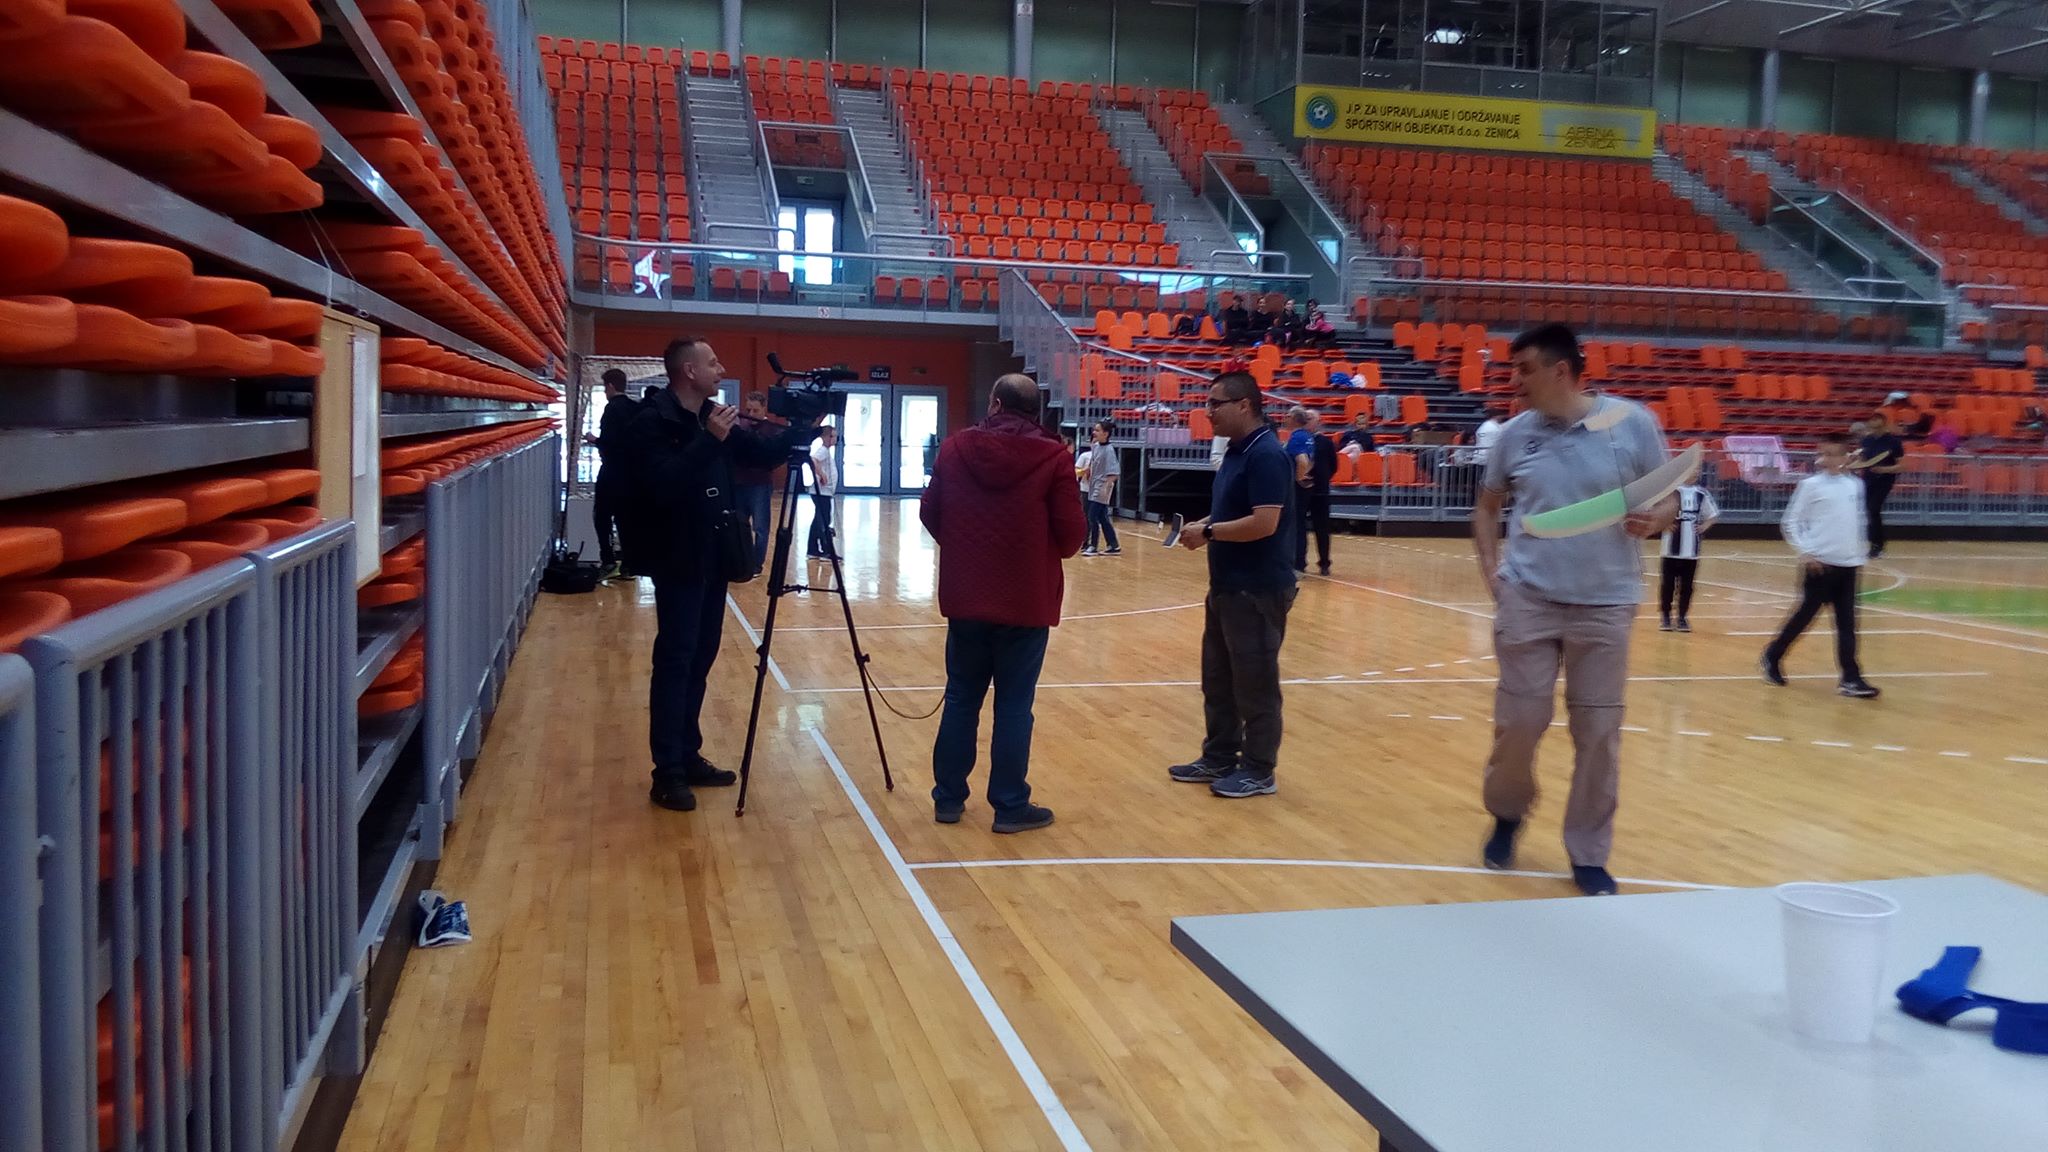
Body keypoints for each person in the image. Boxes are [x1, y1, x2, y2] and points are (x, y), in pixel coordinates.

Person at [1472, 324, 1675, 897]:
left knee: (1599, 733)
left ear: (1561, 371)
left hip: (1606, 606)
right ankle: (1507, 813)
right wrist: (1492, 575)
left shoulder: (1633, 424)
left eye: (1524, 369)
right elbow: (1486, 508)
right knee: (1519, 723)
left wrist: (1655, 519)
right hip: (1528, 599)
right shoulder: (1514, 435)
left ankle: (1588, 853)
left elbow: (1668, 498)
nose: (1514, 381)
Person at [618, 337, 816, 812]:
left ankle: (688, 755)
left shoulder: (714, 416)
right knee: (676, 660)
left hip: (713, 555)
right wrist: (709, 439)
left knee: (701, 658)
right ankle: (666, 771)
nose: (720, 368)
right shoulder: (652, 422)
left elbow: (761, 454)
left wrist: (804, 426)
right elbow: (662, 485)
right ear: (688, 371)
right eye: (712, 362)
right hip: (675, 557)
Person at [920, 374, 1086, 833]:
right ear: (1036, 411)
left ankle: (948, 799)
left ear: (994, 403)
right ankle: (1010, 806)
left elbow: (929, 511)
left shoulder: (954, 448)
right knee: (1014, 706)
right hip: (1025, 600)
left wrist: (964, 549)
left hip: (966, 596)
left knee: (960, 698)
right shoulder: (1054, 456)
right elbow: (1072, 535)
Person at [1169, 370, 1297, 799]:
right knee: (1218, 680)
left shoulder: (1267, 455)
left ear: (1244, 405)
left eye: (1215, 403)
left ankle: (1259, 769)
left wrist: (1209, 532)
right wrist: (1203, 525)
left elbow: (1264, 522)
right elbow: (1230, 512)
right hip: (1227, 585)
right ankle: (1220, 756)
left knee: (1255, 685)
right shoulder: (1237, 452)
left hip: (1256, 590)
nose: (1207, 412)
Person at [1761, 434, 1881, 699]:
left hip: (1849, 565)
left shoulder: (1855, 485)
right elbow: (1791, 522)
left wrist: (1858, 553)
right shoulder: (1811, 486)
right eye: (1822, 453)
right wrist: (1806, 552)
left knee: (1847, 624)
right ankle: (1773, 655)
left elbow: (1856, 521)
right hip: (1820, 566)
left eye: (1831, 454)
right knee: (1804, 617)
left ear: (1844, 457)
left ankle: (1850, 678)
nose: (1825, 459)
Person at [584, 369, 640, 577]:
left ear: (610, 386)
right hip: (632, 474)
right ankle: (629, 564)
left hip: (612, 471)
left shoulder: (612, 409)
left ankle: (608, 559)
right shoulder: (635, 408)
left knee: (602, 516)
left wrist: (594, 440)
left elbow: (610, 443)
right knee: (626, 518)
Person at [1658, 481, 1719, 633]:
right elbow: (1654, 511)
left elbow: (1712, 515)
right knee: (1668, 585)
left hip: (1691, 552)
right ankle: (1666, 617)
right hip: (1670, 550)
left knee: (1687, 587)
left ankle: (1682, 617)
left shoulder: (1701, 494)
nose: (1695, 472)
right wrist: (1662, 525)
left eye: (1697, 470)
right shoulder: (1670, 491)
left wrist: (1704, 526)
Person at [731, 391, 780, 572]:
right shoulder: (741, 426)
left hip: (760, 484)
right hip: (739, 482)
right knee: (739, 525)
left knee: (760, 527)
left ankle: (756, 564)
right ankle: (741, 561)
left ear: (763, 409)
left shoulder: (771, 430)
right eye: (748, 410)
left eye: (755, 410)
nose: (750, 414)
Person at [1281, 407, 1332, 574]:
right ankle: (1300, 562)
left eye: (1288, 416)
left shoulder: (1297, 437)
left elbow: (1302, 460)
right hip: (1307, 488)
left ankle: (1298, 564)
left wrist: (1300, 479)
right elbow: (1310, 461)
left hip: (1298, 489)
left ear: (1295, 419)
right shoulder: (1308, 437)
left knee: (1297, 526)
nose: (1285, 418)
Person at [1853, 412, 1905, 560]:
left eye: (1876, 419)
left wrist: (1884, 470)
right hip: (1868, 479)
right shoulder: (1867, 440)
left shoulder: (1893, 442)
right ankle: (1874, 544)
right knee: (1869, 511)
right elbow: (1863, 460)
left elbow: (1901, 465)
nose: (1873, 422)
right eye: (1871, 419)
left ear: (1883, 422)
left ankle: (1877, 546)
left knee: (1873, 508)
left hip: (1884, 480)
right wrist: (1854, 464)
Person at [1081, 419, 1121, 556]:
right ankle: (1113, 545)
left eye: (1097, 430)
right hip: (1094, 486)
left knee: (1092, 515)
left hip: (1102, 487)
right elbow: (1094, 460)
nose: (1094, 432)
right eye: (1094, 430)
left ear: (1106, 434)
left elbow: (1114, 473)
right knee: (1102, 517)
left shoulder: (1109, 451)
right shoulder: (1096, 446)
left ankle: (1093, 546)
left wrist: (1105, 487)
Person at [808, 424, 838, 559]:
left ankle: (813, 549)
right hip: (821, 492)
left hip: (824, 492)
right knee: (823, 521)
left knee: (819, 519)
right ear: (827, 437)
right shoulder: (823, 451)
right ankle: (826, 550)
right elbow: (813, 460)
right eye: (833, 436)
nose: (835, 439)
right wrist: (822, 474)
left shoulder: (826, 452)